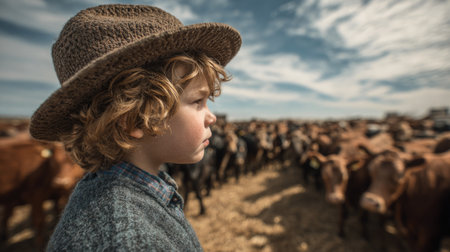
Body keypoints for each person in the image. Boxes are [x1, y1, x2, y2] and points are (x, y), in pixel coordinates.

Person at [29, 4, 241, 251]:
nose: (211, 117)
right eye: (198, 101)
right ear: (135, 120)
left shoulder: (107, 191)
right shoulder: (128, 241)